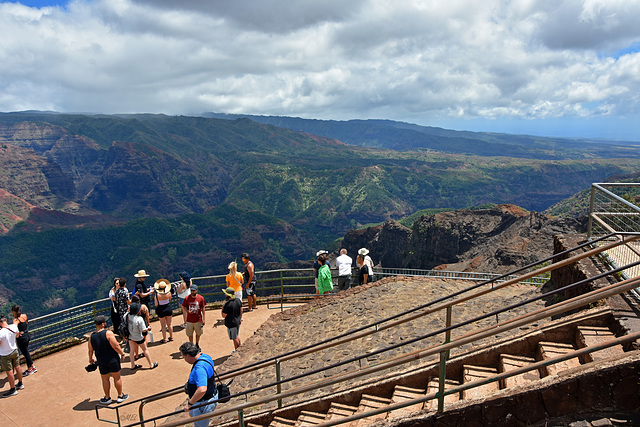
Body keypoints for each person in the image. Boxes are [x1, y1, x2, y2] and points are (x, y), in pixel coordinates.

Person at [88, 315, 128, 404]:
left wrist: (90, 359)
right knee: (117, 378)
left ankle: (107, 397)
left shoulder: (92, 336)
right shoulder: (108, 333)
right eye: (105, 322)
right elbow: (116, 346)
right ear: (102, 324)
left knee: (105, 379)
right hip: (112, 359)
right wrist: (122, 353)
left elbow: (90, 350)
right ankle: (120, 396)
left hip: (101, 361)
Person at [180, 342, 218, 427]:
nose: (184, 359)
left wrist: (190, 404)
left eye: (184, 357)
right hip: (211, 395)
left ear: (188, 356)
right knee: (194, 416)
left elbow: (202, 389)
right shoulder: (205, 357)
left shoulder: (199, 368)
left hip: (203, 403)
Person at [127, 303, 158, 370]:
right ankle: (151, 364)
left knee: (131, 351)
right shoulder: (139, 319)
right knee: (145, 349)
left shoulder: (127, 316)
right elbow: (143, 330)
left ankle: (132, 365)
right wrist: (148, 328)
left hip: (130, 336)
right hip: (138, 337)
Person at [0, 315, 24, 398]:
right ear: (5, 320)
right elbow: (17, 335)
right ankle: (20, 383)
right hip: (14, 350)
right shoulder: (14, 327)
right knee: (17, 366)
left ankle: (13, 389)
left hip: (5, 354)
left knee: (9, 371)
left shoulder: (1, 332)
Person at [11, 305, 37, 376]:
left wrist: (18, 333)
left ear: (13, 312)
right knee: (26, 352)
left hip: (21, 338)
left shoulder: (15, 320)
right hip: (27, 335)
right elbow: (26, 323)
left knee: (25, 353)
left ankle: (30, 369)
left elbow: (14, 329)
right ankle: (32, 366)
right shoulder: (24, 316)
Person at [181, 284, 206, 349]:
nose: (192, 292)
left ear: (196, 290)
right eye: (191, 290)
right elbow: (183, 306)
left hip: (198, 319)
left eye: (193, 291)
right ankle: (192, 345)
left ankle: (197, 344)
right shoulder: (187, 298)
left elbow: (203, 308)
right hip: (189, 320)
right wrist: (187, 311)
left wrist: (204, 319)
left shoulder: (201, 298)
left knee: (198, 333)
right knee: (190, 334)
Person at [154, 279, 174, 343]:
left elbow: (156, 304)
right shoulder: (169, 293)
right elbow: (170, 299)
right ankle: (171, 337)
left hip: (161, 309)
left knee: (163, 326)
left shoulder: (157, 295)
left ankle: (164, 339)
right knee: (170, 324)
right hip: (168, 308)